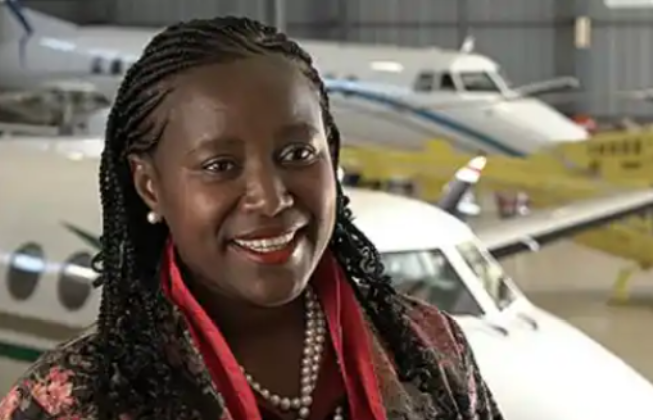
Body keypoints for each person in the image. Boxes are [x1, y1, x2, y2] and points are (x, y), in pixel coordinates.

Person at [0, 17, 505, 420]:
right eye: (220, 166)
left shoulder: (431, 348)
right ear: (150, 186)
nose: (270, 198)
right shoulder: (72, 403)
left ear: (331, 155)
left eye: (298, 154)